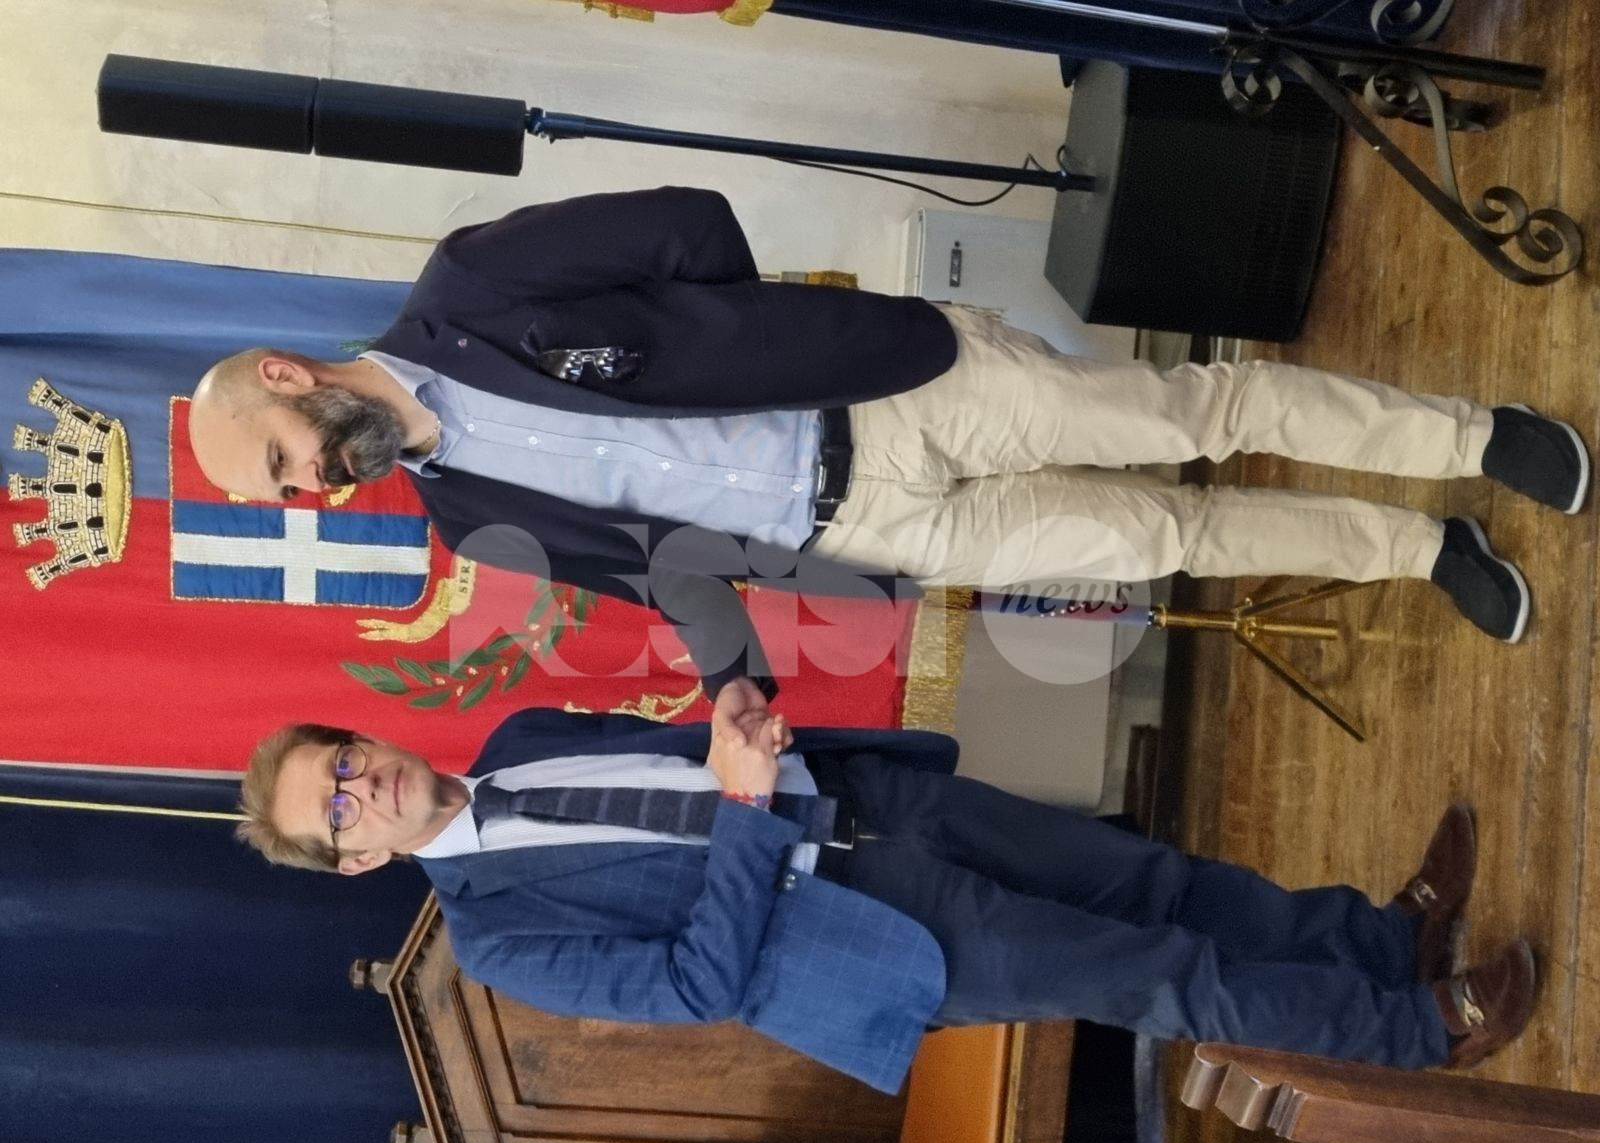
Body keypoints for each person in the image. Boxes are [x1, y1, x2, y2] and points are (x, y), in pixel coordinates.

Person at [188, 187, 1588, 703]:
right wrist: (734, 690)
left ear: (287, 380)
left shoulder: (471, 284)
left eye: (285, 466)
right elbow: (660, 574)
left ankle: (1478, 438)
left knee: (1191, 416)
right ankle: (1422, 549)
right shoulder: (457, 517)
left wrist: (732, 350)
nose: (313, 493)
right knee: (1161, 538)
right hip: (869, 532)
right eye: (290, 499)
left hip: (890, 390)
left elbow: (691, 226)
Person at [238, 699, 1535, 1094]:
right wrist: (749, 807)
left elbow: (685, 763)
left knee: (1160, 877)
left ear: (366, 737)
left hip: (880, 808)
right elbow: (700, 982)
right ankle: (1418, 1032)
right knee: (1158, 974)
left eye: (342, 761)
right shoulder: (496, 941)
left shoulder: (519, 737)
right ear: (355, 862)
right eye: (335, 811)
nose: (362, 788)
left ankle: (1381, 940)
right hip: (872, 939)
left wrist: (740, 730)